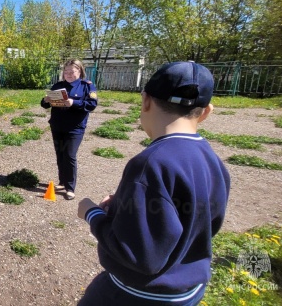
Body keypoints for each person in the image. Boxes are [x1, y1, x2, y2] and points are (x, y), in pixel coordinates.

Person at [76, 61, 230, 306]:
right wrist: (124, 208)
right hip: (187, 292)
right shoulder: (211, 159)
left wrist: (92, 213)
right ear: (206, 111)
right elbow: (193, 217)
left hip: (137, 295)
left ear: (145, 100)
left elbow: (137, 254)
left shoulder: (150, 164)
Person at [40, 59, 98, 200]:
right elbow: (45, 105)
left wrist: (74, 102)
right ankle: (62, 182)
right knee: (60, 154)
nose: (69, 74)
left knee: (70, 155)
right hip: (58, 126)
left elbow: (92, 104)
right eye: (66, 71)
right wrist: (46, 100)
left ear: (80, 71)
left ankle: (70, 188)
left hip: (75, 128)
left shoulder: (87, 86)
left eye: (72, 71)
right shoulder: (58, 86)